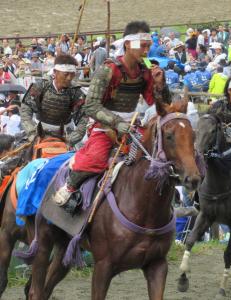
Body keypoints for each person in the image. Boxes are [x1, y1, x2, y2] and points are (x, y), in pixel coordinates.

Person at [52, 21, 171, 206]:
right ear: (128, 44)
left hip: (133, 125)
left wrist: (160, 84)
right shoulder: (109, 69)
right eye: (143, 45)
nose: (147, 50)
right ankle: (69, 187)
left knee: (158, 155)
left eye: (149, 45)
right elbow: (90, 105)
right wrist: (117, 123)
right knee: (96, 159)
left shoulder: (146, 70)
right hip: (104, 126)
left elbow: (159, 104)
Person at [20, 54, 87, 145]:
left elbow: (83, 118)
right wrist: (32, 133)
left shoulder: (76, 92)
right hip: (39, 131)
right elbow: (25, 109)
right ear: (55, 72)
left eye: (72, 75)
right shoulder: (40, 86)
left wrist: (70, 140)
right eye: (66, 74)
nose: (69, 78)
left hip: (65, 134)